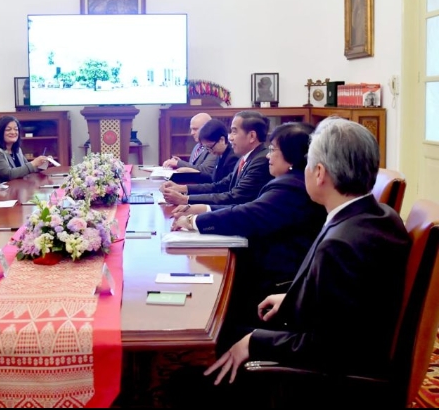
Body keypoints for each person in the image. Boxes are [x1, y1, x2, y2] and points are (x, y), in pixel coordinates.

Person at [203, 118, 411, 395]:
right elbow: (352, 300)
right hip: (345, 337)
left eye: (308, 165)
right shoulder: (380, 215)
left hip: (333, 375)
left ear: (320, 173)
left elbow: (329, 345)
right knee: (229, 321)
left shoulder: (340, 244)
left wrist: (254, 342)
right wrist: (294, 297)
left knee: (214, 341)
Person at [172, 122, 326, 349]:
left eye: (274, 150)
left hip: (274, 281)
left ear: (291, 157)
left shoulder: (290, 186)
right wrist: (201, 211)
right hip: (275, 270)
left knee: (207, 303)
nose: (268, 157)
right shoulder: (289, 182)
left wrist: (195, 221)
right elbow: (248, 207)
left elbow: (248, 214)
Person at [161, 110, 273, 206]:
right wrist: (183, 189)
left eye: (234, 131)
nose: (230, 137)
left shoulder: (260, 161)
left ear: (252, 136)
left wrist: (185, 200)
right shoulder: (245, 158)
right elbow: (220, 186)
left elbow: (235, 197)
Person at [0, 115, 49, 183]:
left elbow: (26, 170)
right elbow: (9, 174)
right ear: (0, 132)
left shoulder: (17, 150)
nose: (13, 132)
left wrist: (42, 164)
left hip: (14, 190)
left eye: (16, 129)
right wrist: (33, 163)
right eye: (8, 129)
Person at [162, 113, 218, 182]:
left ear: (207, 129)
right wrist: (179, 163)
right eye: (191, 129)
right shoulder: (197, 146)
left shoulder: (213, 146)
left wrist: (179, 163)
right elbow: (194, 167)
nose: (192, 133)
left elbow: (206, 170)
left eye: (195, 129)